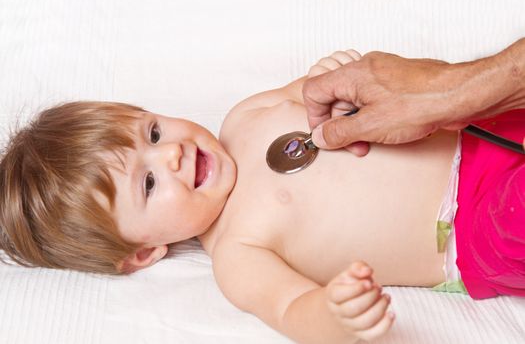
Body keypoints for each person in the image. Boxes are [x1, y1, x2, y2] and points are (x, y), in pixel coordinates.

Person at [1, 49, 524, 344]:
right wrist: (334, 313)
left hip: (478, 125)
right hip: (476, 226)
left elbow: (316, 88)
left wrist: (331, 74)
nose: (173, 156)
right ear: (143, 252)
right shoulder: (237, 253)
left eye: (153, 134)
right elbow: (293, 309)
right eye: (149, 184)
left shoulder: (244, 116)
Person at [302, 38, 525, 156]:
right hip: (478, 215)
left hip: (481, 130)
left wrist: (329, 70)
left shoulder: (267, 105)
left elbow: (307, 92)